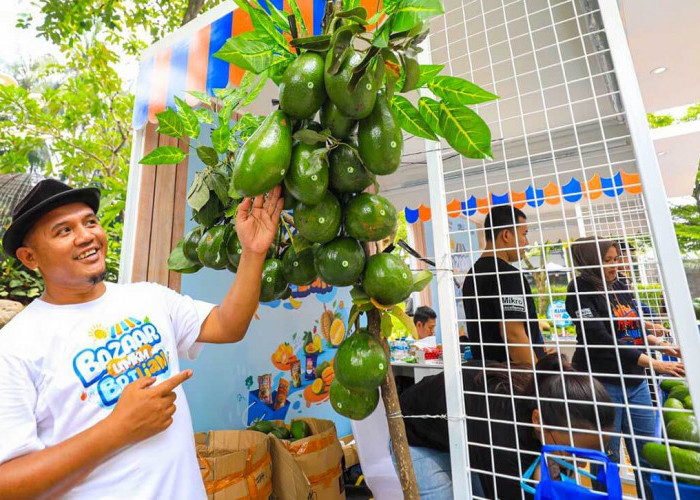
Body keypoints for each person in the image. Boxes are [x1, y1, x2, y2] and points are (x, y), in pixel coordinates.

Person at [0, 179, 283, 498]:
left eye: (90, 222)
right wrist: (117, 430)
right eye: (63, 231)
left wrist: (253, 252)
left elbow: (228, 325)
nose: (86, 236)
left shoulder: (148, 298)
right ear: (30, 258)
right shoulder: (14, 348)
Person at [397, 354, 616, 498]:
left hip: (467, 430)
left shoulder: (545, 404)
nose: (581, 465)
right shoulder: (503, 437)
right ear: (538, 420)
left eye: (589, 456)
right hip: (414, 433)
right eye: (571, 454)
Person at [565, 236, 684, 496]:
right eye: (607, 261)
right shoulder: (580, 290)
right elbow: (600, 338)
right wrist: (653, 363)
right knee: (607, 457)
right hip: (602, 384)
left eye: (616, 259)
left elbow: (631, 326)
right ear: (590, 262)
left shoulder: (619, 285)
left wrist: (660, 345)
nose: (614, 265)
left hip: (635, 382)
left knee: (648, 454)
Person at [462, 205, 545, 365]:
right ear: (506, 235)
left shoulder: (473, 274)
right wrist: (539, 378)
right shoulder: (507, 274)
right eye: (524, 234)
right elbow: (513, 335)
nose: (526, 243)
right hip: (515, 379)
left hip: (486, 377)